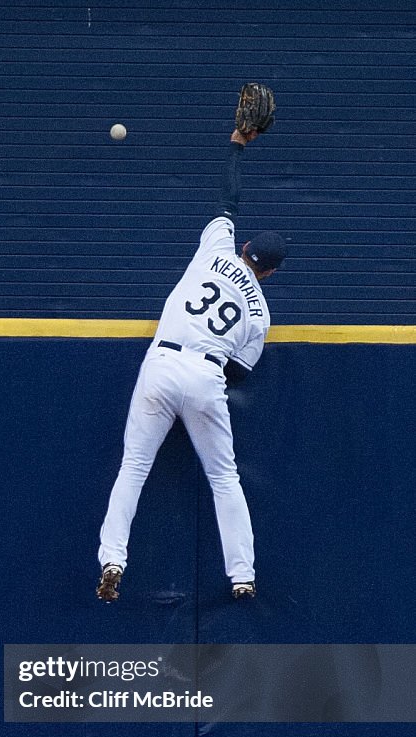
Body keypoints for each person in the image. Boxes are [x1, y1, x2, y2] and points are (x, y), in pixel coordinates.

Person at [96, 125, 288, 602]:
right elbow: (238, 373)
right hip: (206, 374)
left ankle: (113, 559)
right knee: (224, 479)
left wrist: (237, 144)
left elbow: (227, 200)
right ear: (270, 271)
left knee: (133, 468)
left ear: (245, 249)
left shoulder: (216, 248)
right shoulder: (261, 312)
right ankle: (242, 575)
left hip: (162, 363)